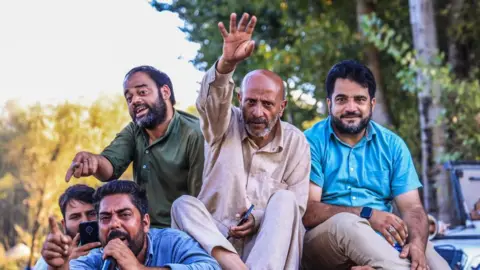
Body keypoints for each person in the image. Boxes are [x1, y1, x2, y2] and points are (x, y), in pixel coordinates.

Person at [170, 12, 310, 270]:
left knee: (286, 200)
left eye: (267, 104)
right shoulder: (221, 123)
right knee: (183, 206)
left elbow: (298, 206)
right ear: (239, 100)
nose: (258, 112)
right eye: (251, 102)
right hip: (216, 246)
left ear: (282, 107)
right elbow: (209, 102)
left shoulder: (296, 142)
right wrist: (225, 65)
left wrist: (257, 219)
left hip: (270, 249)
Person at [302, 60, 450, 270]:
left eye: (359, 99)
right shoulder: (310, 142)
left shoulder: (392, 145)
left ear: (372, 104)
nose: (351, 108)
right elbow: (309, 212)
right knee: (348, 225)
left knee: (429, 257)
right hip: (324, 241)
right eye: (342, 99)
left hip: (382, 236)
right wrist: (366, 214)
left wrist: (417, 243)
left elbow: (413, 209)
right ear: (329, 104)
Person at [64, 66, 204, 228]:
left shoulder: (194, 134)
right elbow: (108, 167)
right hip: (142, 232)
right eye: (129, 98)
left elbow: (202, 203)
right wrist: (93, 161)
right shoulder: (134, 131)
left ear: (165, 92)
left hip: (184, 233)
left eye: (142, 92)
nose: (135, 101)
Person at [45, 180, 220, 270]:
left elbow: (211, 268)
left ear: (145, 223)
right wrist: (58, 268)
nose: (114, 224)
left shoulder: (172, 243)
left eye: (125, 215)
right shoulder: (96, 260)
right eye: (105, 217)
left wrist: (139, 269)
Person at [37, 184, 100, 269]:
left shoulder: (115, 249)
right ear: (64, 224)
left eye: (92, 214)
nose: (85, 221)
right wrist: (66, 263)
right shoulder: (51, 260)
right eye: (75, 217)